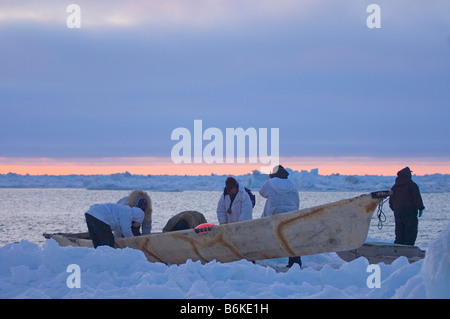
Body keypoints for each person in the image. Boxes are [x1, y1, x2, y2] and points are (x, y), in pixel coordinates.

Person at [259, 165, 302, 268]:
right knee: (291, 237)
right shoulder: (291, 183)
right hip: (290, 213)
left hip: (274, 213)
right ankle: (295, 261)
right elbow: (296, 199)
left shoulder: (269, 183)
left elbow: (261, 193)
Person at [389, 167, 425, 246]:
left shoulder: (395, 187)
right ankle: (407, 251)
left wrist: (396, 209)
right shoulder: (412, 186)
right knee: (410, 233)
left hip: (398, 212)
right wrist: (421, 208)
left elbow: (391, 202)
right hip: (410, 213)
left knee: (399, 232)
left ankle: (398, 250)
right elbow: (417, 198)